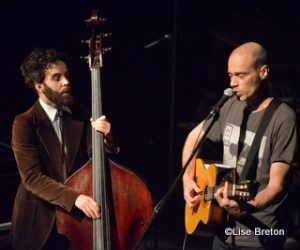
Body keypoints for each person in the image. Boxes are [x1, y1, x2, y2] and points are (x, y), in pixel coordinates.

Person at [182, 42, 297, 249]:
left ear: (263, 72)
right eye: (230, 76)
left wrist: (247, 208)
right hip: (223, 231)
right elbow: (193, 137)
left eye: (241, 75)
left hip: (261, 237)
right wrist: (187, 179)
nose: (232, 83)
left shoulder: (283, 119)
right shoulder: (230, 106)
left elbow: (277, 186)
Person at [10, 48, 117, 250]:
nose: (66, 82)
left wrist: (107, 139)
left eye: (66, 75)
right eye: (56, 78)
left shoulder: (79, 112)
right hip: (40, 221)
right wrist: (75, 198)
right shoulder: (24, 123)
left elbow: (94, 159)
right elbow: (32, 177)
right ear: (39, 86)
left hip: (75, 219)